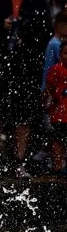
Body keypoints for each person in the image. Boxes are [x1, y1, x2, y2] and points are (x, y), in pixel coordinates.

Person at [0, 0, 53, 177]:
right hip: (3, 64)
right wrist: (2, 26)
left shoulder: (38, 1)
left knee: (23, 117)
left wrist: (26, 35)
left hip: (27, 66)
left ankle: (19, 162)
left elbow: (46, 32)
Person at [45, 40, 67, 174]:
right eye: (66, 53)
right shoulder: (56, 69)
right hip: (60, 114)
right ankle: (57, 166)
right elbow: (49, 90)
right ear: (60, 55)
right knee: (58, 139)